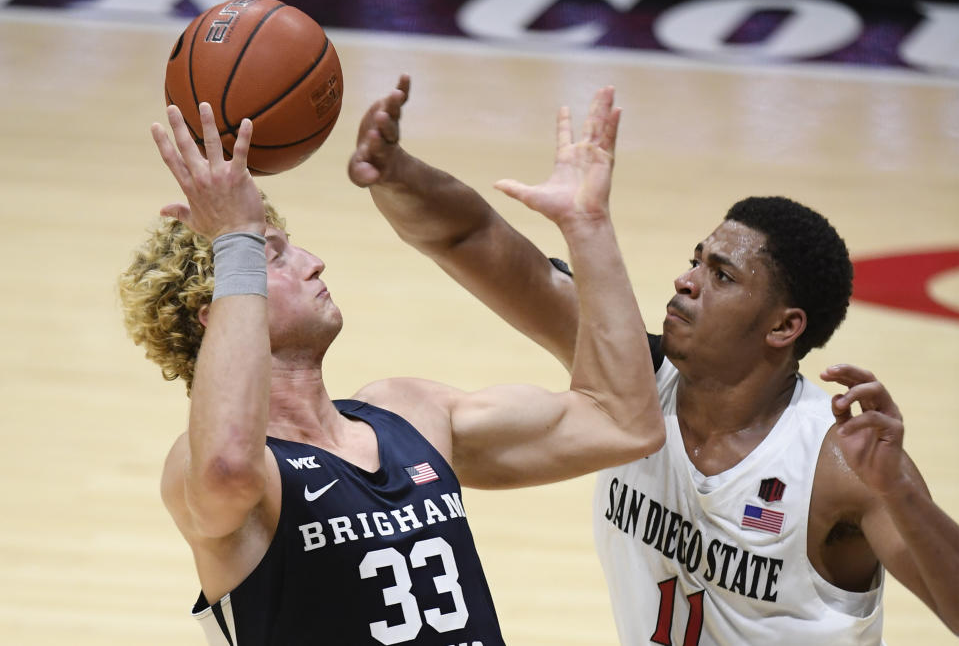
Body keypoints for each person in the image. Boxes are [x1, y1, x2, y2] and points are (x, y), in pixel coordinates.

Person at [348, 75, 959, 644]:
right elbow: (473, 240)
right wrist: (396, 171)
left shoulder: (838, 462)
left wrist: (901, 493)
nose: (686, 281)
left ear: (783, 326)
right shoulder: (630, 386)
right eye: (696, 260)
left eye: (721, 275)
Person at [118, 89, 665, 645]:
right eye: (275, 255)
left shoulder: (411, 411)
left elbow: (623, 421)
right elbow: (227, 469)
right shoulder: (216, 466)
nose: (313, 262)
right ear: (220, 311)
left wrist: (588, 225)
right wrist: (234, 237)